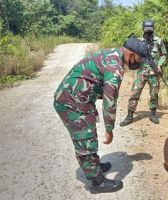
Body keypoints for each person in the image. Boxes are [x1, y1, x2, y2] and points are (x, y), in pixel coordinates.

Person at [53, 38, 150, 194]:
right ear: (131, 55)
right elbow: (109, 101)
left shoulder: (113, 54)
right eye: (139, 59)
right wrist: (109, 129)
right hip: (71, 101)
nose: (139, 63)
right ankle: (97, 182)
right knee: (85, 138)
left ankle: (94, 165)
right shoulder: (115, 68)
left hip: (78, 97)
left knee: (89, 134)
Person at [120, 19, 167, 126]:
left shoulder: (158, 41)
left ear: (153, 29)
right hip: (141, 71)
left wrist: (159, 64)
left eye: (150, 30)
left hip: (154, 71)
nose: (148, 32)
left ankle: (153, 114)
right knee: (135, 92)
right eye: (146, 30)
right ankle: (130, 115)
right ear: (143, 29)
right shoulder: (138, 41)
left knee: (154, 93)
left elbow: (164, 54)